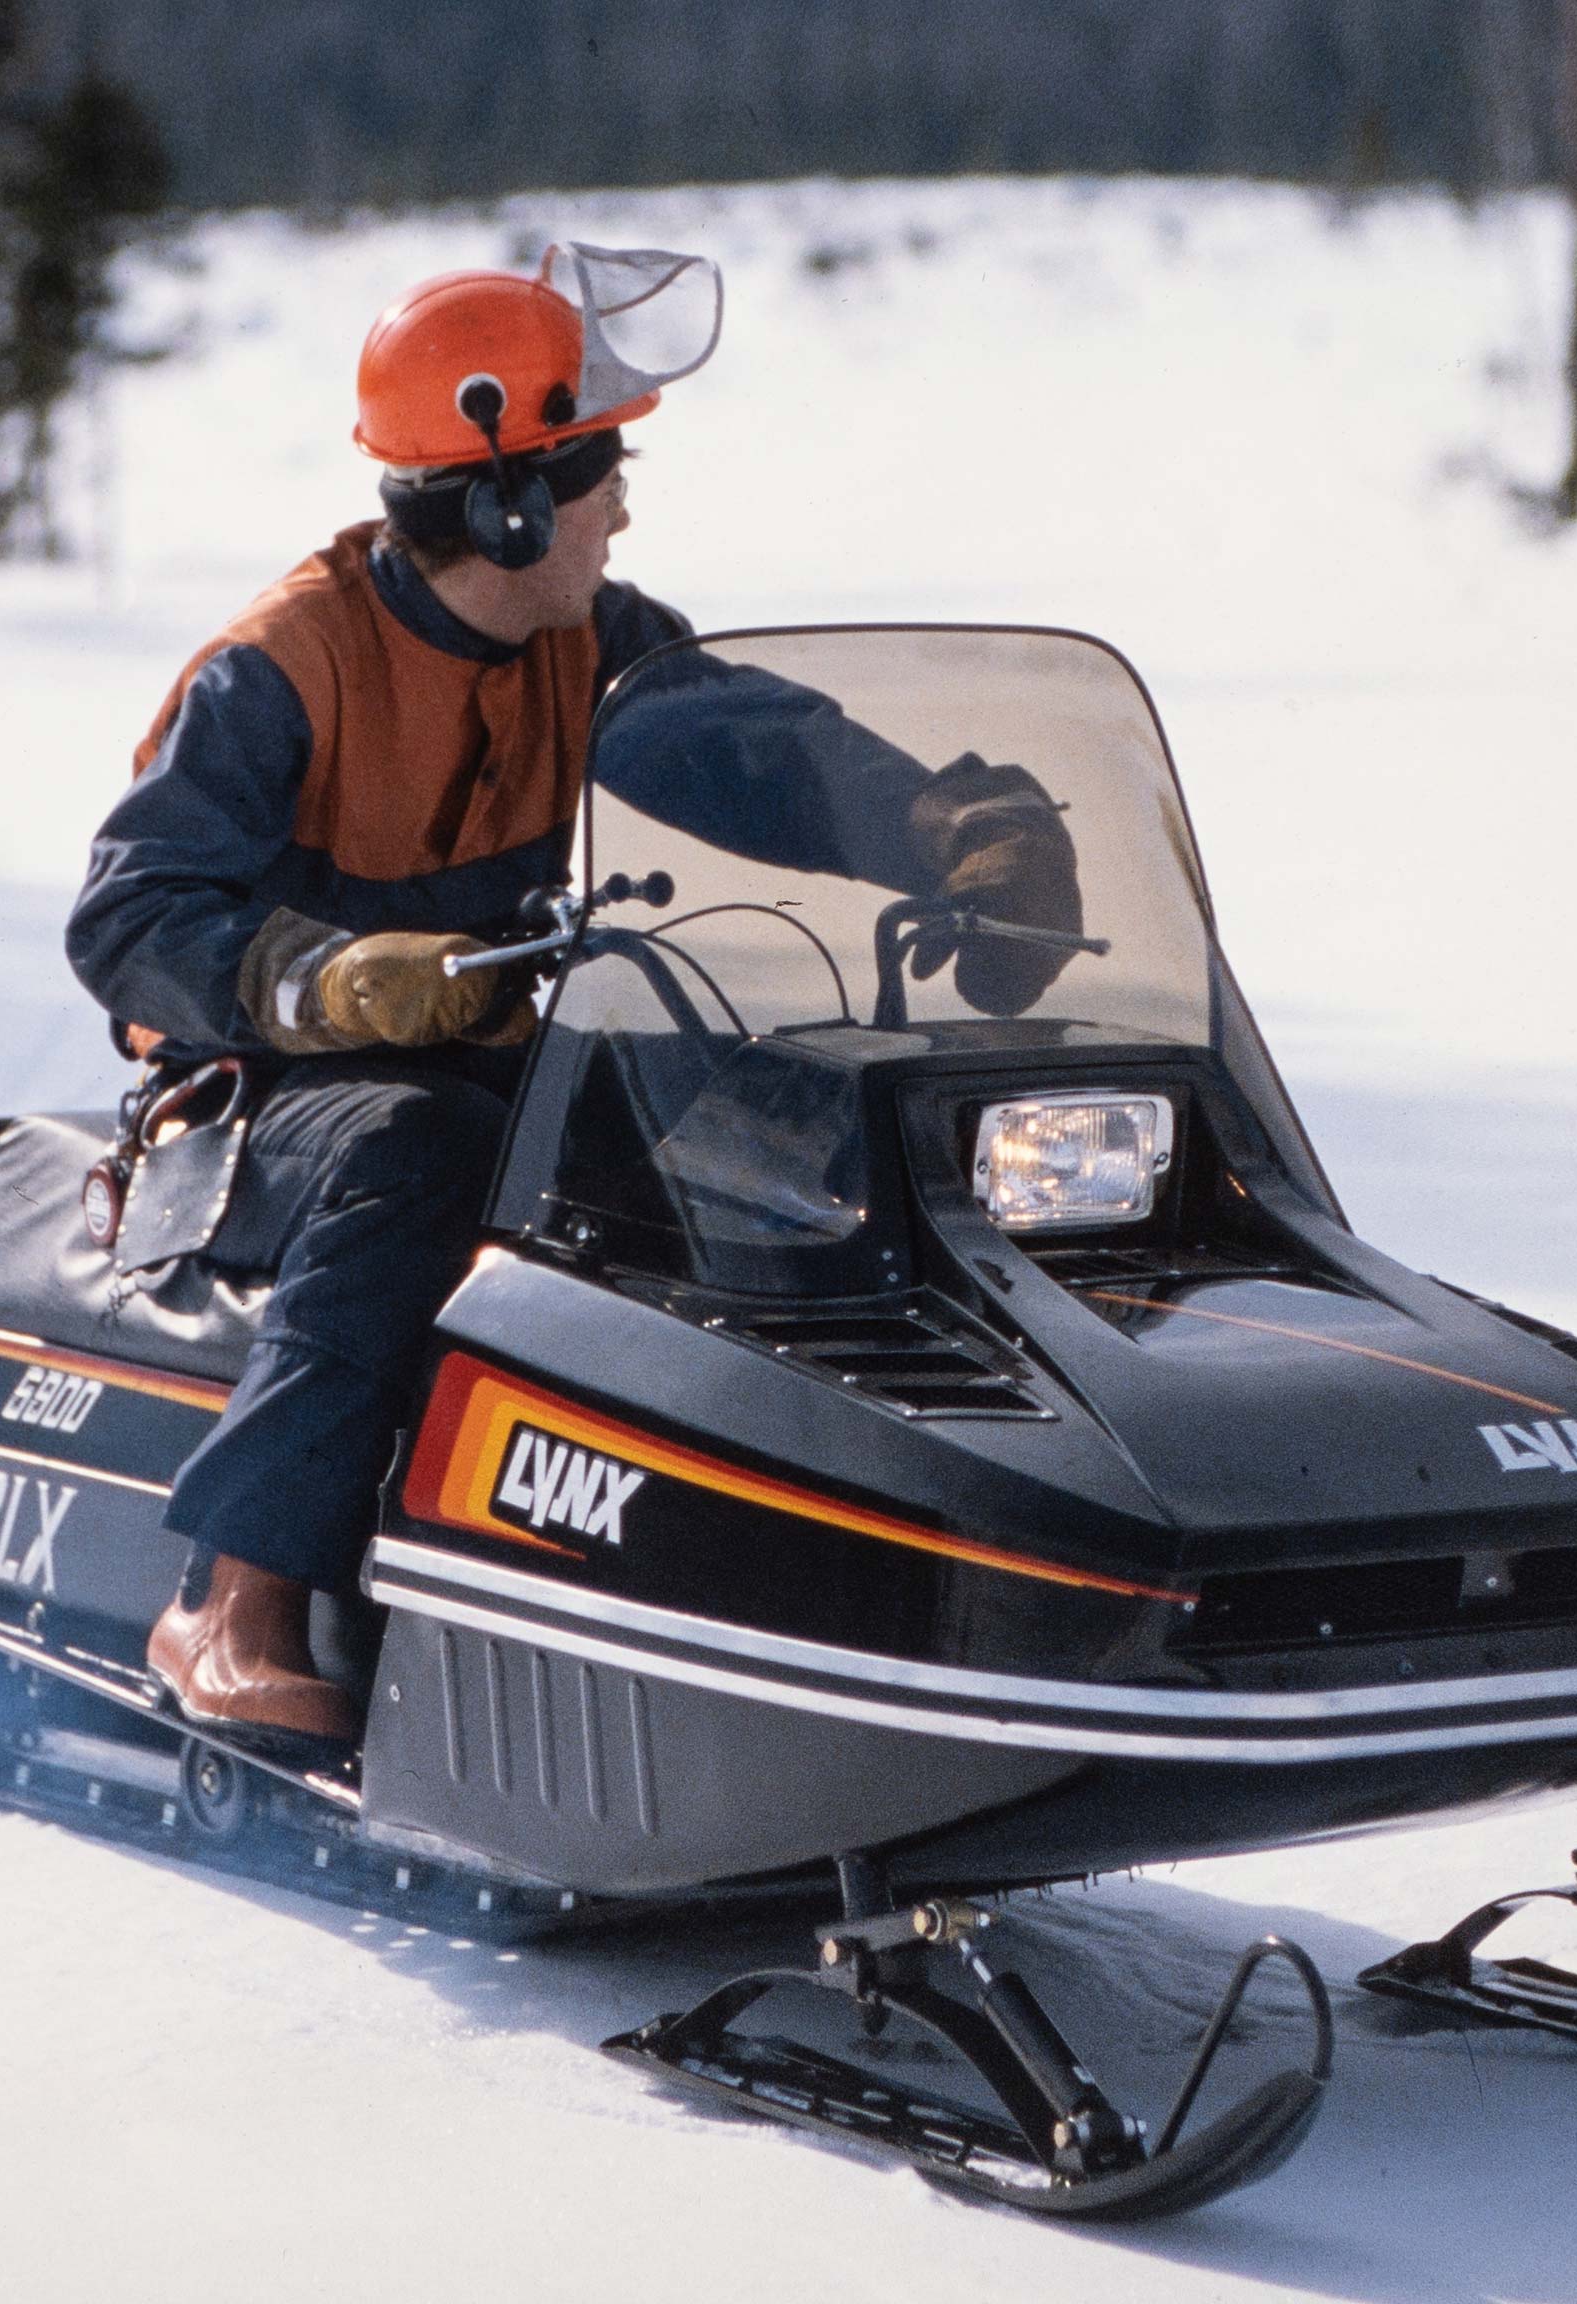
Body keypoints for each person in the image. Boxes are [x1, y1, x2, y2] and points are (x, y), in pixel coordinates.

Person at [67, 248, 1077, 1744]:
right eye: (598, 470)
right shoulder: (285, 672)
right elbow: (128, 918)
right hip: (258, 1103)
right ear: (507, 504)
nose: (622, 506)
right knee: (413, 1149)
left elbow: (765, 748)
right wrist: (326, 976)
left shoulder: (597, 646)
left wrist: (944, 824)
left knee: (799, 1116)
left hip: (502, 1057)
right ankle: (236, 1594)